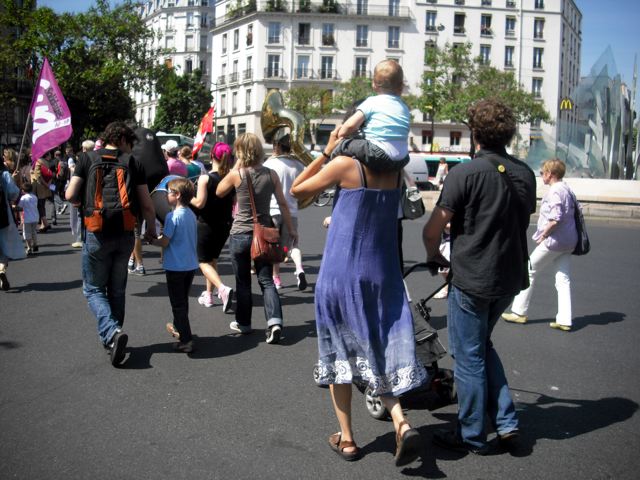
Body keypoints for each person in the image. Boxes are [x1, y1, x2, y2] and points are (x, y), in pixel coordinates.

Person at [290, 128, 427, 467]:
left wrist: (327, 151)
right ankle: (400, 421)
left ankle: (348, 440)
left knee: (339, 355)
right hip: (382, 272)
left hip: (342, 272)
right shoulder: (395, 172)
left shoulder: (345, 165)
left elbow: (297, 191)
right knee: (376, 349)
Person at [422, 99, 536, 455]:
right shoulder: (525, 173)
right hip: (510, 277)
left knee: (467, 355)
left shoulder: (464, 173)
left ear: (475, 134)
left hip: (473, 276)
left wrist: (435, 255)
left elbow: (432, 229)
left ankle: (470, 433)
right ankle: (506, 423)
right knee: (481, 347)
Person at [66, 121, 158, 367]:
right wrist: (150, 228)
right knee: (116, 290)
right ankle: (113, 338)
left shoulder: (86, 158)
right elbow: (147, 204)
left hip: (96, 231)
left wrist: (81, 199)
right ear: (123, 139)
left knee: (93, 289)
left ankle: (112, 333)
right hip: (126, 232)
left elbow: (69, 195)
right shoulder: (132, 163)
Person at [216, 133, 296, 344]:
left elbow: (219, 191)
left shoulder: (238, 175)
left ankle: (244, 323)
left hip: (241, 233)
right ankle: (275, 321)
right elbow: (283, 204)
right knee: (266, 280)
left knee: (243, 282)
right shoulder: (271, 175)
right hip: (264, 234)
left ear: (240, 152)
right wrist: (291, 229)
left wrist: (237, 166)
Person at [502, 158, 578, 332]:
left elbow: (555, 218)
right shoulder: (566, 188)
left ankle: (519, 311)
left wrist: (544, 234)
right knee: (563, 279)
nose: (541, 175)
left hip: (554, 241)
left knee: (529, 269)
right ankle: (565, 319)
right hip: (568, 241)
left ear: (550, 174)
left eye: (543, 172)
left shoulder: (555, 191)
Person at [331, 59, 410, 173]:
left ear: (374, 84)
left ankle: (333, 171)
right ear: (401, 86)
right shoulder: (404, 106)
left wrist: (341, 134)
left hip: (377, 153)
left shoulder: (372, 102)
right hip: (402, 158)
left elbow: (350, 126)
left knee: (342, 146)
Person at [149, 177, 199, 353]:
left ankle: (186, 339)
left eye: (168, 193)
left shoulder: (172, 217)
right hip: (190, 265)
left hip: (175, 266)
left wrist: (151, 240)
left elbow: (165, 242)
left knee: (178, 304)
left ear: (177, 195)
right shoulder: (191, 215)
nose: (166, 196)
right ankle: (179, 328)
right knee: (182, 300)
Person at [191, 142, 235, 311]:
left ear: (211, 156)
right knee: (212, 260)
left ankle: (222, 289)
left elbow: (200, 203)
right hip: (224, 225)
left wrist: (187, 196)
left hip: (206, 224)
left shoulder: (205, 178)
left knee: (202, 261)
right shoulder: (231, 177)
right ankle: (209, 295)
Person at [263, 131, 307, 290]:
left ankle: (276, 278)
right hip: (292, 210)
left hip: (272, 209)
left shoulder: (269, 164)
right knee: (293, 244)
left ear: (277, 146)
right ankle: (299, 268)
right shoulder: (298, 165)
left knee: (275, 247)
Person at [126, 122, 169, 276]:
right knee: (160, 223)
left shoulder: (132, 145)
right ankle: (133, 259)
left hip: (138, 191)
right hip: (157, 187)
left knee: (135, 230)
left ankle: (140, 265)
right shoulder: (150, 138)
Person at [1, 158, 25, 290]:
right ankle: (1, 269)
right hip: (3, 215)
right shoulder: (4, 173)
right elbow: (14, 194)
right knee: (5, 245)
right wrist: (14, 179)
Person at [69, 140, 94, 248]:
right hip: (94, 191)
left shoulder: (82, 159)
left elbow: (77, 178)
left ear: (84, 148)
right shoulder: (97, 158)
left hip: (83, 191)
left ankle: (80, 238)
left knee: (80, 216)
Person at [18, 182, 39, 255]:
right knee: (34, 232)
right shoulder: (35, 197)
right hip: (35, 217)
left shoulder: (23, 198)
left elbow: (20, 207)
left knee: (27, 233)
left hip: (27, 218)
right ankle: (35, 244)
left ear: (23, 191)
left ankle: (29, 247)